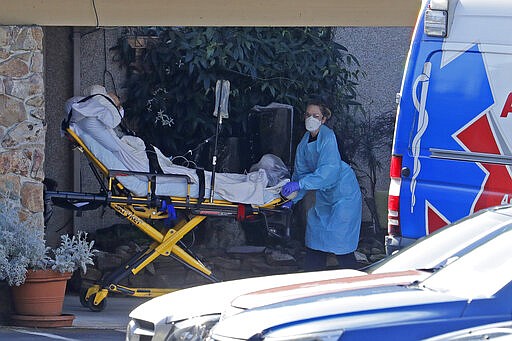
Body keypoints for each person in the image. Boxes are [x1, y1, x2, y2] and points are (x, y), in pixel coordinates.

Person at [281, 101, 362, 271]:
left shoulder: (328, 137)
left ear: (324, 119)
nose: (311, 118)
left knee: (341, 241)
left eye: (316, 116)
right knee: (315, 236)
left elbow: (328, 171)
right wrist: (293, 198)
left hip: (343, 193)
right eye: (308, 115)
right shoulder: (304, 143)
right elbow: (301, 173)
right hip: (325, 194)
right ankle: (311, 278)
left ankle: (355, 281)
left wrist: (300, 185)